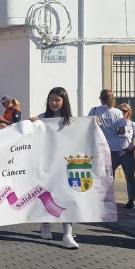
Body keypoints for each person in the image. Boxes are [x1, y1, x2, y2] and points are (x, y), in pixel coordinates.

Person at [35, 86, 79, 249]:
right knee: (46, 195)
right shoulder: (41, 118)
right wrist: (33, 124)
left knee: (67, 198)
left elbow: (81, 135)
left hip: (64, 166)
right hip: (46, 165)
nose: (54, 103)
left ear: (64, 101)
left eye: (57, 100)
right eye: (51, 99)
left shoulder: (72, 122)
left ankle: (67, 234)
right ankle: (45, 223)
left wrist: (92, 123)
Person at [88, 90, 131, 207]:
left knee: (99, 174)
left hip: (99, 147)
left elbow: (88, 126)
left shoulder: (94, 110)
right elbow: (122, 130)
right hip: (114, 147)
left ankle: (100, 199)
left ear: (100, 98)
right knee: (111, 174)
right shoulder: (117, 112)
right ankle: (110, 199)